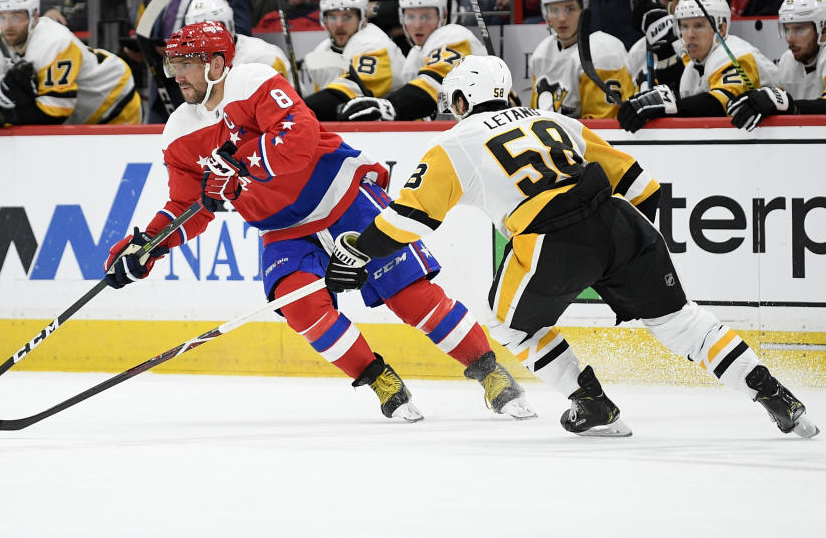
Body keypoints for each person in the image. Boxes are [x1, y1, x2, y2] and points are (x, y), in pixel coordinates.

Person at [323, 54, 820, 439]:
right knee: (682, 323)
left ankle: (593, 404)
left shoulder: (454, 143)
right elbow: (643, 187)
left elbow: (408, 219)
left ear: (459, 102)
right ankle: (778, 397)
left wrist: (359, 251)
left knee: (506, 320)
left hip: (548, 239)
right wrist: (628, 255)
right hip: (620, 221)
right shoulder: (557, 121)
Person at [101, 20, 534, 423]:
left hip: (343, 196)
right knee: (299, 305)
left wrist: (244, 163)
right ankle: (381, 380)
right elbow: (187, 205)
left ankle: (490, 372)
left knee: (410, 295)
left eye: (186, 65)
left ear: (216, 63)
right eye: (172, 65)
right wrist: (148, 246)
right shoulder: (178, 132)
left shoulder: (252, 82)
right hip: (282, 229)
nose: (177, 76)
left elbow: (301, 138)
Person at [0, 0, 141, 131]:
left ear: (34, 17)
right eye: (1, 17)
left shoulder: (55, 42)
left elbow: (54, 114)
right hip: (78, 116)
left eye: (16, 16)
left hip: (114, 101)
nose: (8, 25)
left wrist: (0, 115)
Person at [617, 0, 778, 132]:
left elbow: (721, 104)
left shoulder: (737, 55)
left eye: (699, 25)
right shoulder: (692, 68)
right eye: (685, 26)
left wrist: (668, 105)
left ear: (721, 28)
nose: (690, 34)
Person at [336, 0, 487, 121]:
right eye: (411, 17)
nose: (417, 25)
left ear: (443, 16)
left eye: (426, 16)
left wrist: (388, 106)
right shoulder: (415, 55)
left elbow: (433, 88)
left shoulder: (455, 36)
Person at [529, 0, 634, 119]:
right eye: (554, 10)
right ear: (545, 13)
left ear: (583, 10)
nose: (561, 18)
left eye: (570, 9)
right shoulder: (542, 52)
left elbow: (602, 124)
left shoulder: (603, 51)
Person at [725, 0, 826, 131]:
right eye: (787, 29)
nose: (789, 38)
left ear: (824, 29)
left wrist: (787, 104)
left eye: (799, 29)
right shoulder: (788, 59)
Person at [301, 0, 406, 116]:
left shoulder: (375, 45)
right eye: (332, 17)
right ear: (324, 20)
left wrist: (300, 111)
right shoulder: (321, 51)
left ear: (362, 18)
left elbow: (349, 95)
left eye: (347, 17)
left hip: (397, 130)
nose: (339, 24)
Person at [184, 0, 291, 80]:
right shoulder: (192, 62)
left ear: (229, 25)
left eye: (212, 31)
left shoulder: (264, 56)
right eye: (197, 33)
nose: (205, 39)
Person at [625, 0, 692, 91]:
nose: (647, 4)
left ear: (679, 1)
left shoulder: (695, 42)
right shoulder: (637, 50)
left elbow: (688, 91)